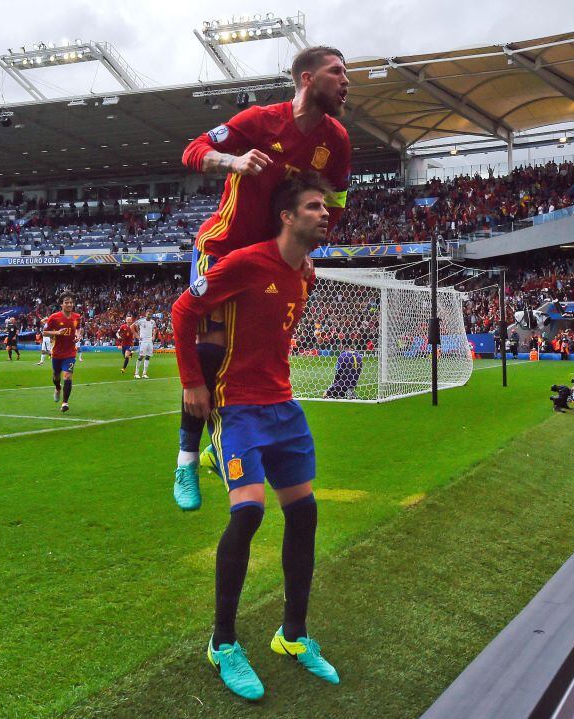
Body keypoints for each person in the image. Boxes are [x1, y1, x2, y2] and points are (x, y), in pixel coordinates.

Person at [171, 173, 340, 701]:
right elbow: (183, 310)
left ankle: (292, 635)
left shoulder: (303, 275)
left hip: (284, 407)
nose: (325, 212)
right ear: (287, 217)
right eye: (314, 206)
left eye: (326, 206)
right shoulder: (246, 263)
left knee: (305, 513)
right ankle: (223, 643)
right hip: (238, 406)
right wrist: (192, 383)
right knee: (248, 512)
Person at [173, 45, 351, 511]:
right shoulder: (259, 120)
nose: (347, 81)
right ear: (307, 79)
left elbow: (337, 201)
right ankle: (186, 459)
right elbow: (193, 150)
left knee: (258, 353)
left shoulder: (337, 140)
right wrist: (231, 162)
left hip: (274, 259)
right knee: (209, 351)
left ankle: (223, 446)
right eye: (337, 72)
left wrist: (312, 248)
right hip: (223, 247)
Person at [42, 294, 81, 413]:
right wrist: (57, 332)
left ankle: (65, 403)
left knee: (68, 376)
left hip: (70, 353)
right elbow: (44, 333)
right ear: (62, 304)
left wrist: (78, 336)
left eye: (71, 302)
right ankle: (58, 388)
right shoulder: (54, 317)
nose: (69, 304)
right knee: (56, 376)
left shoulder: (77, 317)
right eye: (66, 302)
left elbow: (78, 328)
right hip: (57, 353)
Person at [131, 310, 157, 379]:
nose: (149, 316)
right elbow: (132, 327)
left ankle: (144, 373)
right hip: (143, 341)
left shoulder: (152, 322)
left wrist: (154, 336)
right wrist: (137, 336)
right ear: (146, 314)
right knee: (141, 356)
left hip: (150, 341)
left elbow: (155, 328)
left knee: (148, 356)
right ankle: (136, 373)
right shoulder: (141, 321)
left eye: (151, 314)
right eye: (148, 314)